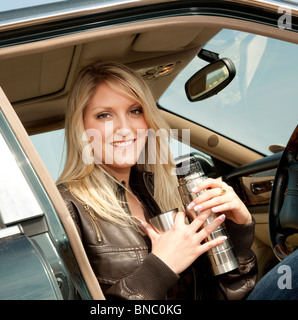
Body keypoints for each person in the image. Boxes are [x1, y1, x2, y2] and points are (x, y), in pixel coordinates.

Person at [56, 61, 257, 300]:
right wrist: (160, 268)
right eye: (104, 115)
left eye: (135, 111)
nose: (125, 128)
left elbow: (222, 297)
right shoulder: (66, 207)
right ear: (81, 127)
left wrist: (239, 235)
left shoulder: (156, 195)